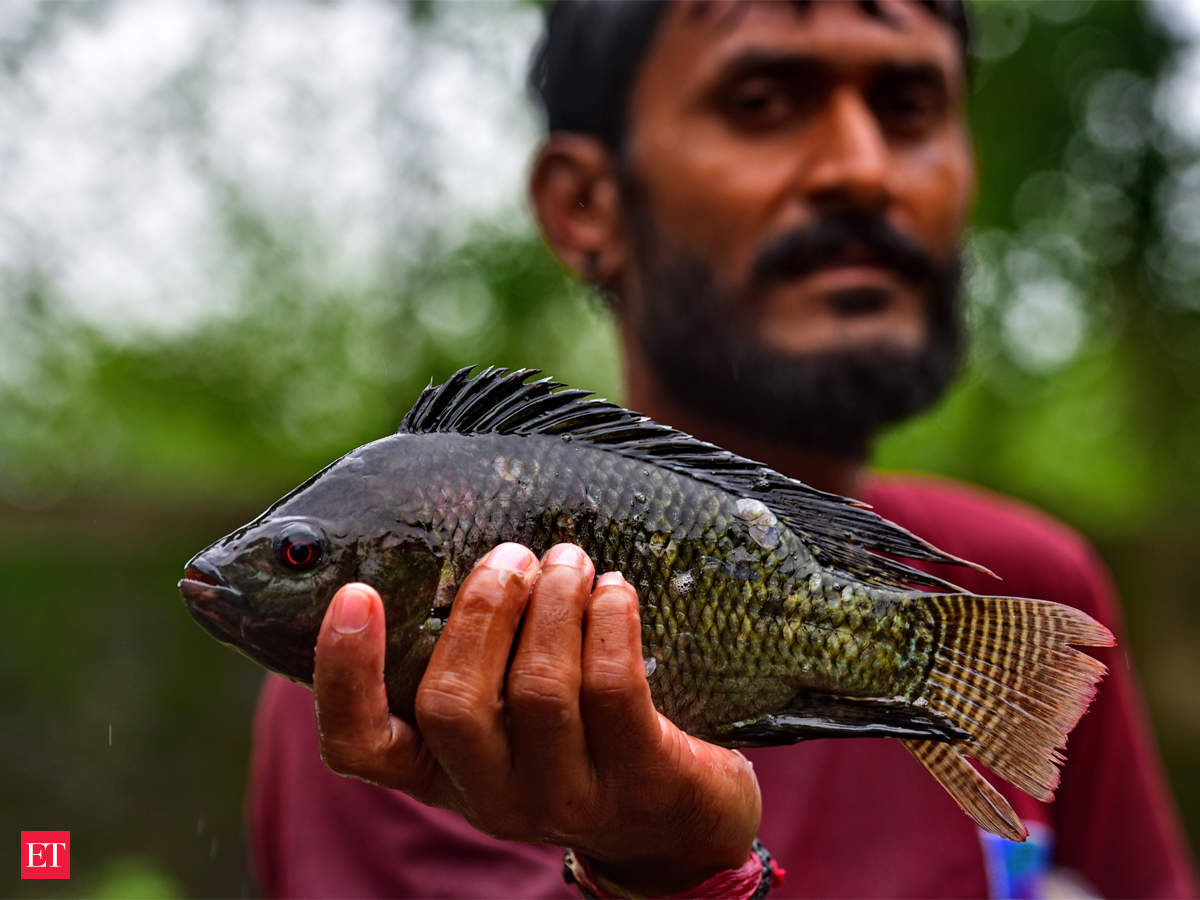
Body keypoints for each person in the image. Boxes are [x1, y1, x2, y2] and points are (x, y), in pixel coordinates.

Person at [249, 1, 1198, 896]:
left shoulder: (1020, 580)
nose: (863, 167)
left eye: (908, 107)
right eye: (762, 105)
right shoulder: (391, 684)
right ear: (586, 204)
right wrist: (662, 872)